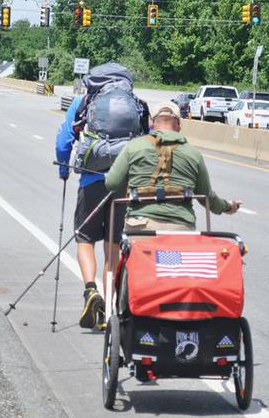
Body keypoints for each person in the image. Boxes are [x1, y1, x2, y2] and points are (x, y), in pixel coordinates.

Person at [55, 62, 149, 330]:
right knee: (113, 246)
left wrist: (64, 168)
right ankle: (108, 309)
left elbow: (64, 140)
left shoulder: (84, 102)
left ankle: (90, 289)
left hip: (91, 180)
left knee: (84, 238)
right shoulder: (137, 105)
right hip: (123, 184)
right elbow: (149, 141)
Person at [104, 101, 241, 233]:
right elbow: (206, 197)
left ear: (151, 123)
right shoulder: (194, 154)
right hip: (181, 228)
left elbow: (111, 183)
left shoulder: (133, 147)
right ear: (179, 125)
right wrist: (227, 206)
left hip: (140, 226)